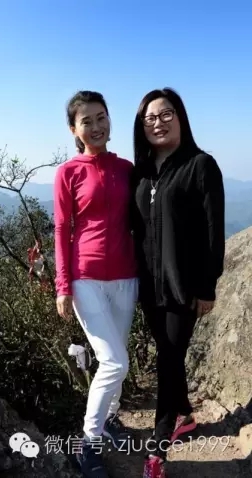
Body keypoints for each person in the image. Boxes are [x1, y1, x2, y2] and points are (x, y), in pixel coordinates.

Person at [130, 88, 225, 476]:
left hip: (183, 287)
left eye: (166, 114)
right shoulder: (140, 172)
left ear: (181, 117)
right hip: (148, 288)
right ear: (141, 126)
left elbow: (214, 232)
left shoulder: (201, 165)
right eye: (150, 118)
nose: (158, 123)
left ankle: (158, 446)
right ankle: (184, 412)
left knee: (168, 358)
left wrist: (207, 287)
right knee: (168, 353)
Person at [54, 90, 139, 478]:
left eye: (101, 117)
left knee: (116, 357)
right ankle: (88, 442)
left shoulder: (126, 168)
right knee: (114, 361)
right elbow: (61, 229)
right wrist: (63, 285)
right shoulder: (68, 172)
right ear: (74, 129)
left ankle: (110, 419)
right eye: (86, 121)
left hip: (126, 276)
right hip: (85, 277)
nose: (96, 126)